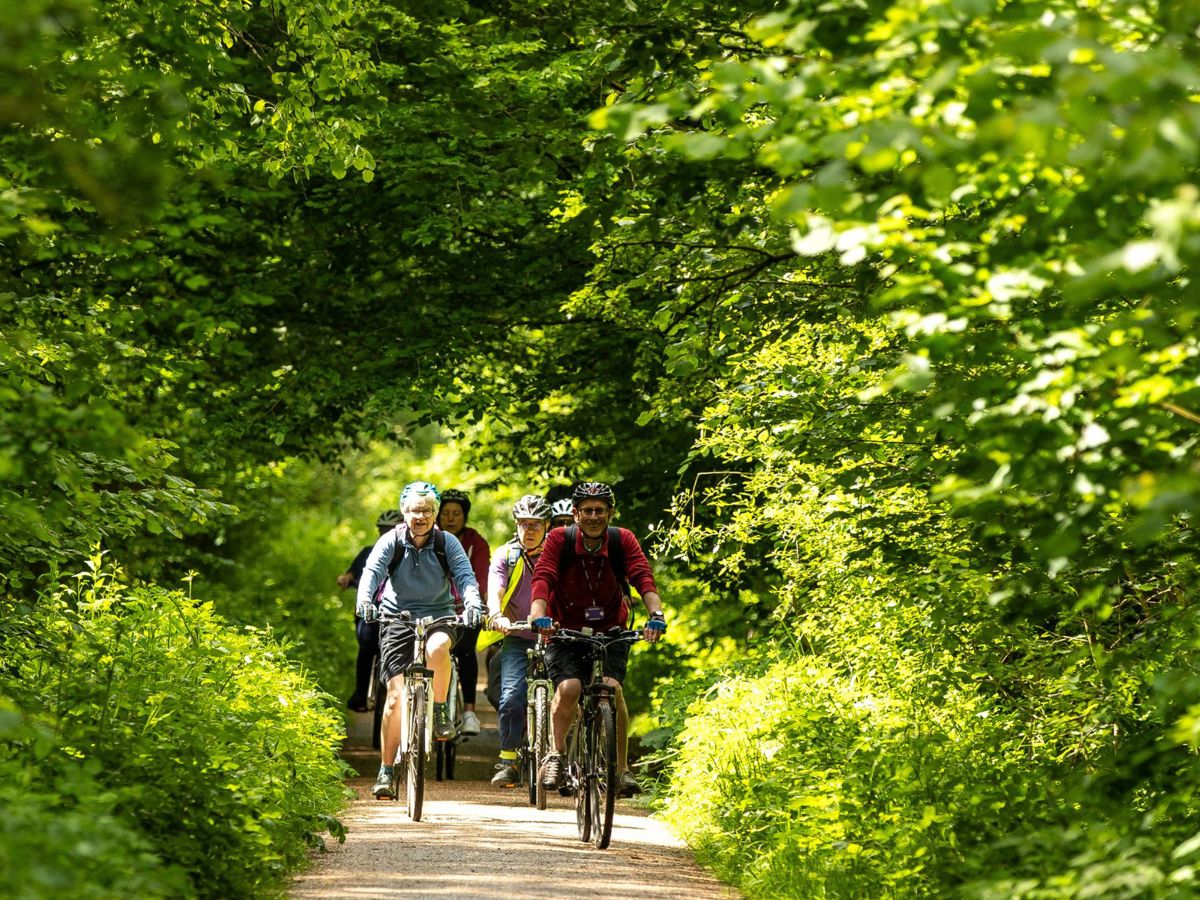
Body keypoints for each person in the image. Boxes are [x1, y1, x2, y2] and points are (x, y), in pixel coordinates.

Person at [529, 481, 666, 798]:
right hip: (564, 630)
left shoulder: (622, 540)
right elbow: (543, 577)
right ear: (575, 513)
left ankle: (620, 770)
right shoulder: (558, 539)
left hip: (611, 630)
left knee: (612, 688)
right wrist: (538, 615)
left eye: (600, 510)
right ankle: (556, 755)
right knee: (570, 687)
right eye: (587, 510)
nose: (593, 516)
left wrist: (655, 615)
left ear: (610, 513)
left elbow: (642, 576)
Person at [357, 481, 484, 800]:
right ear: (404, 512)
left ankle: (440, 709)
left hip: (439, 615)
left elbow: (466, 577)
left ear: (435, 513)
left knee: (438, 648)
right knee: (396, 698)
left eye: (427, 511)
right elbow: (372, 572)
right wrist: (365, 600)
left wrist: (473, 604)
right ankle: (386, 771)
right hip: (396, 617)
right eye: (415, 510)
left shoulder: (447, 542)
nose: (421, 516)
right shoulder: (392, 541)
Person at [483, 494, 552, 787]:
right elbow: (495, 589)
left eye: (536, 524)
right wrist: (497, 615)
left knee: (569, 695)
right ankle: (508, 761)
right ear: (516, 525)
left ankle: (563, 758)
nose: (529, 530)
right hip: (517, 636)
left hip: (555, 637)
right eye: (523, 524)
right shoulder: (506, 555)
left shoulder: (558, 554)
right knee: (511, 697)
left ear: (547, 526)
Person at [436, 488, 491, 738]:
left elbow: (481, 576)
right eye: (445, 513)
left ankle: (468, 712)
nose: (450, 518)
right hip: (433, 609)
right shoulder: (429, 537)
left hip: (465, 609)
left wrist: (478, 604)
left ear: (464, 516)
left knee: (466, 649)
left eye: (456, 513)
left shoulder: (475, 542)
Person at [337, 509, 404, 713]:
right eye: (383, 529)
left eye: (390, 529)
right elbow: (351, 573)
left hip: (400, 614)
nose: (386, 534)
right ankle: (360, 693)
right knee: (366, 644)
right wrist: (346, 579)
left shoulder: (409, 553)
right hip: (372, 613)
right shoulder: (368, 552)